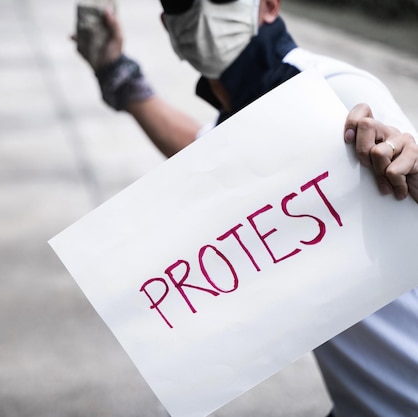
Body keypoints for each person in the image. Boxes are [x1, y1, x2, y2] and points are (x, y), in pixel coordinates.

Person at [73, 1, 418, 416]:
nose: (201, 11)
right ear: (168, 24)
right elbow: (199, 151)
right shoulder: (244, 119)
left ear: (270, 5)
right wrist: (116, 72)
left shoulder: (332, 93)